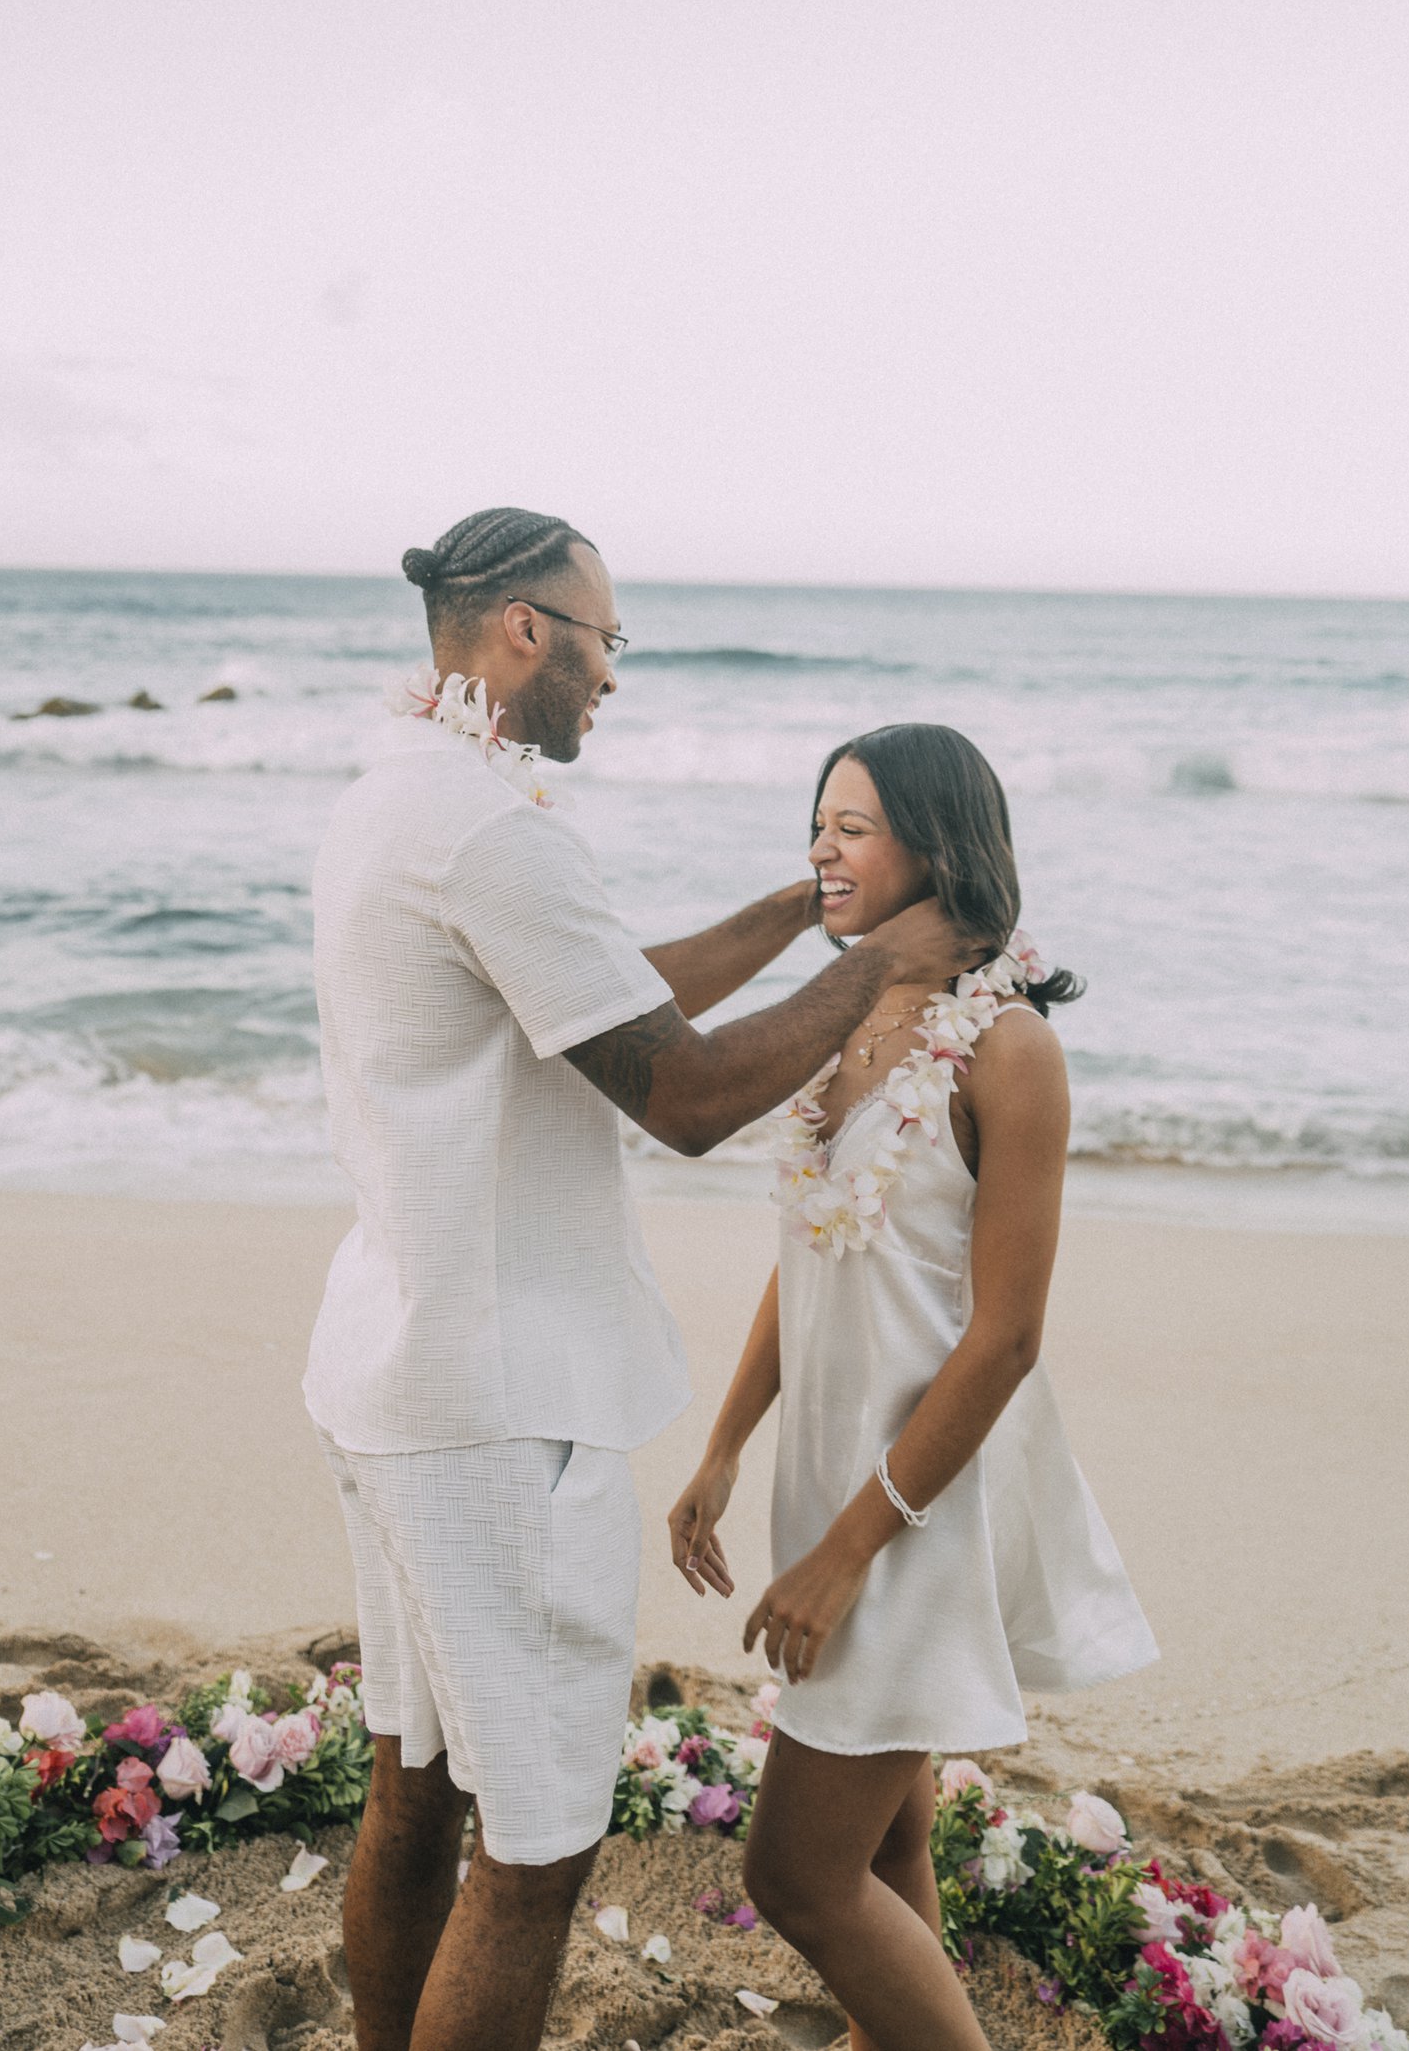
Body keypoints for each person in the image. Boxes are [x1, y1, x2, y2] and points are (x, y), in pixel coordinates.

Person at [303, 509, 967, 2051]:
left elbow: (610, 994)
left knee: (416, 1782)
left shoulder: (397, 797)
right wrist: (879, 964)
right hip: (497, 1406)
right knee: (534, 1853)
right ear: (528, 627)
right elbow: (683, 1094)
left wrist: (803, 911)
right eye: (607, 639)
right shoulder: (495, 832)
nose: (613, 673)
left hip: (389, 1366)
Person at [667, 724, 1158, 2051]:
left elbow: (1006, 1340)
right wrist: (726, 1445)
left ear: (935, 848)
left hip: (916, 1509)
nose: (822, 848)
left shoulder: (1010, 1050)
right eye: (816, 822)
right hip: (826, 1475)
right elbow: (814, 1257)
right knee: (884, 1849)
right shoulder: (843, 1021)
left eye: (854, 826)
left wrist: (847, 1550)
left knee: (795, 1876)